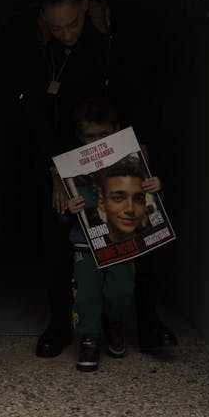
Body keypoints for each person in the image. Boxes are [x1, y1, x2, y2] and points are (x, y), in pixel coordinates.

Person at [21, 0, 176, 358]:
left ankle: (148, 323)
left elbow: (139, 92)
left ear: (86, 6)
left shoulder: (112, 41)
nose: (66, 34)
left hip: (116, 145)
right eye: (56, 27)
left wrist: (141, 146)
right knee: (57, 238)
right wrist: (55, 169)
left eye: (72, 24)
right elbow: (36, 114)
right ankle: (60, 324)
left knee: (138, 225)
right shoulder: (40, 50)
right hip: (62, 156)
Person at [63, 102, 161, 371]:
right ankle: (89, 338)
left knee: (122, 290)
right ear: (80, 137)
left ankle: (113, 323)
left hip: (122, 242)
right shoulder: (71, 167)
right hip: (85, 243)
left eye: (104, 134)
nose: (97, 142)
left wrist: (156, 188)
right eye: (90, 136)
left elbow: (149, 206)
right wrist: (69, 209)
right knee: (87, 293)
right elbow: (61, 214)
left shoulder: (132, 162)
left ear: (117, 131)